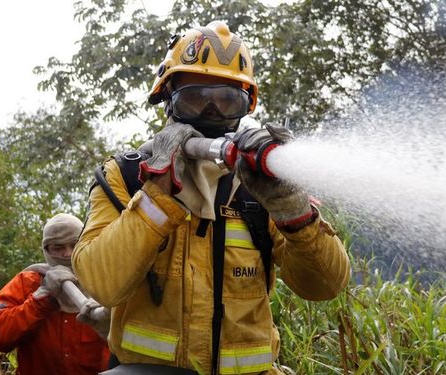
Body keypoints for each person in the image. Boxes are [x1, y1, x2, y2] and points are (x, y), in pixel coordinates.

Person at [73, 21, 350, 375]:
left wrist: (292, 209)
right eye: (195, 99)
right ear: (167, 100)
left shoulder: (258, 186)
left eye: (226, 101)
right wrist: (156, 195)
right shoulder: (126, 177)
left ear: (245, 106)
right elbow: (101, 283)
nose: (211, 113)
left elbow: (326, 285)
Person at [0, 213, 110, 375]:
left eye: (74, 245)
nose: (67, 254)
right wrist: (41, 297)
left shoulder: (107, 283)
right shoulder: (27, 282)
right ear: (46, 250)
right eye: (58, 248)